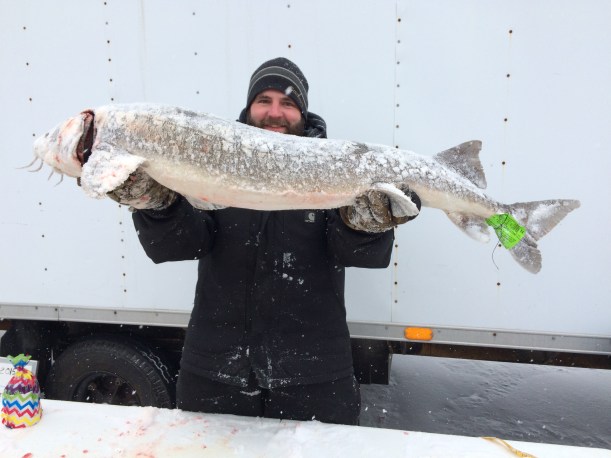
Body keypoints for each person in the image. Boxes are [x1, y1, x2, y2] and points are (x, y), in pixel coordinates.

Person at [109, 57, 421, 425]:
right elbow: (180, 245)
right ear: (248, 109)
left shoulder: (337, 168)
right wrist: (157, 204)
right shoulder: (211, 160)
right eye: (265, 101)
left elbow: (353, 252)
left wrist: (368, 223)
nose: (276, 113)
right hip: (214, 372)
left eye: (288, 103)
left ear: (303, 113)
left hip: (316, 376)